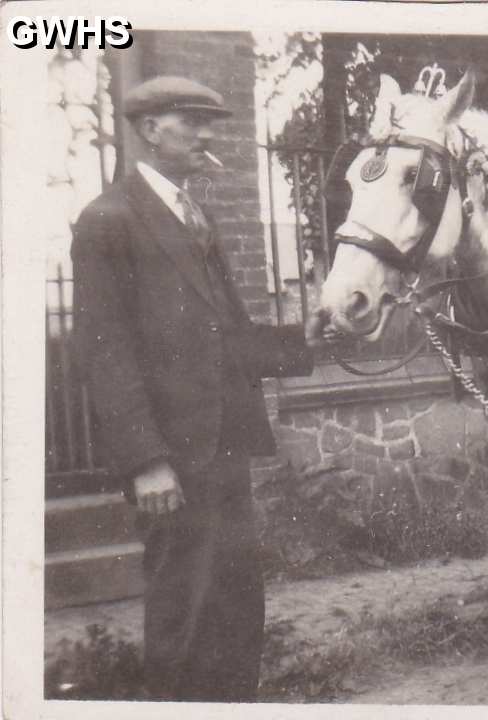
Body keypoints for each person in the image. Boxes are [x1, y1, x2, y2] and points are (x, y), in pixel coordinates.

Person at [71, 76, 314, 702]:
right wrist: (147, 462)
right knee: (183, 609)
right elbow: (106, 352)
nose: (208, 135)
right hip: (172, 461)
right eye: (192, 121)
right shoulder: (108, 220)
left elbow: (228, 334)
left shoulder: (195, 214)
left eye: (212, 122)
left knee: (235, 608)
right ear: (150, 129)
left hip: (225, 447)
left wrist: (313, 339)